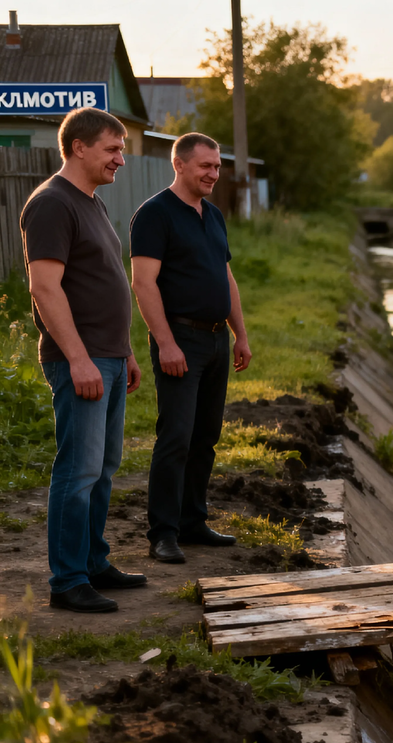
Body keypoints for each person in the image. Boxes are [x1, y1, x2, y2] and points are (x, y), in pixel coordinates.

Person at [20, 107, 143, 614]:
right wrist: (79, 359)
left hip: (109, 359)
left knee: (104, 468)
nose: (121, 158)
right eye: (113, 149)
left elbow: (103, 282)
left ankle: (93, 562)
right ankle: (67, 581)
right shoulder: (52, 203)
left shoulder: (91, 202)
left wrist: (127, 351)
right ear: (79, 148)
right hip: (82, 362)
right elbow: (44, 288)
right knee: (78, 471)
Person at [130, 133, 252, 564]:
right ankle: (162, 533)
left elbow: (227, 278)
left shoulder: (214, 215)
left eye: (217, 167)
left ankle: (193, 521)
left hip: (218, 339)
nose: (213, 174)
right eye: (206, 166)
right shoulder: (154, 214)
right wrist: (165, 343)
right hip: (180, 340)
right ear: (179, 164)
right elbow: (143, 283)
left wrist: (240, 334)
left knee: (206, 436)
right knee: (176, 437)